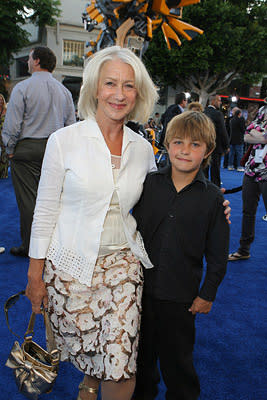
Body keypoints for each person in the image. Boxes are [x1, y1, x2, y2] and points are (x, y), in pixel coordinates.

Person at [25, 45, 159, 400]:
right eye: (110, 83)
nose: (119, 94)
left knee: (122, 359)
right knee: (88, 352)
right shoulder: (64, 141)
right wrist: (34, 276)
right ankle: (89, 381)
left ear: (138, 93)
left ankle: (100, 380)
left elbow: (163, 200)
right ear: (95, 89)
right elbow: (44, 212)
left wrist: (209, 204)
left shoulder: (142, 149)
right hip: (69, 267)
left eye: (128, 86)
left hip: (123, 266)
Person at [133, 111, 230, 400]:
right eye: (178, 142)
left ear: (208, 151)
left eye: (195, 144)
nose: (185, 150)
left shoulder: (213, 199)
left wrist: (207, 294)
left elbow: (218, 255)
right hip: (139, 293)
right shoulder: (147, 185)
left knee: (179, 366)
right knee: (139, 363)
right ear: (166, 144)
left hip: (181, 300)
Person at [2, 46, 76, 257]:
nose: (27, 62)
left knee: (28, 202)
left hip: (26, 149)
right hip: (56, 149)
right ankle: (55, 244)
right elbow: (71, 125)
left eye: (29, 58)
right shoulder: (64, 91)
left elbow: (12, 123)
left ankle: (32, 247)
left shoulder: (23, 87)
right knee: (54, 198)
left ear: (36, 61)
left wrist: (9, 147)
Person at [228, 105, 267, 261]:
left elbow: (255, 132)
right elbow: (246, 135)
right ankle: (244, 249)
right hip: (252, 168)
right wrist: (261, 135)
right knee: (247, 211)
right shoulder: (263, 109)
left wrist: (258, 133)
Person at [204, 94, 230, 187]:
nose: (220, 102)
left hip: (204, 146)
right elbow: (223, 131)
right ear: (213, 101)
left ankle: (204, 189)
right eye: (219, 100)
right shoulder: (218, 114)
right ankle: (215, 190)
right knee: (215, 170)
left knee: (204, 169)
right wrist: (226, 146)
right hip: (216, 146)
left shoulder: (203, 112)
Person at [0, 93, 8, 179]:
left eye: (2, 100)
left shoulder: (7, 110)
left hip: (4, 134)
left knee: (4, 152)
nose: (0, 101)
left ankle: (4, 172)